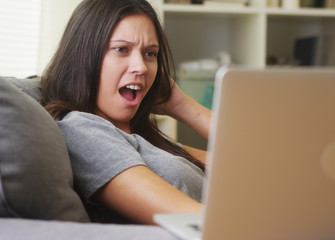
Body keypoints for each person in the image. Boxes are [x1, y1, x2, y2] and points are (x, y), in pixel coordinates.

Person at [40, 0, 211, 225]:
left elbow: (254, 160)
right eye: (122, 49)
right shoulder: (81, 130)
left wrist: (181, 105)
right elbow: (195, 221)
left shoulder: (149, 142)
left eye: (150, 53)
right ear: (84, 56)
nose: (140, 67)